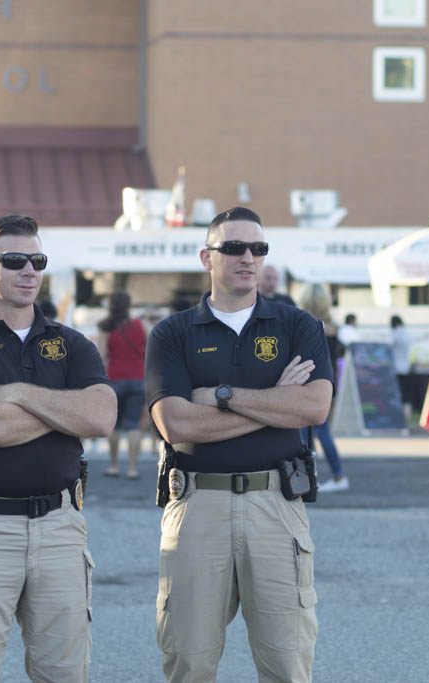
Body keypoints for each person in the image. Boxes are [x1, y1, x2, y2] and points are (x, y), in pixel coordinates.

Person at [145, 207, 331, 682]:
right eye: (234, 247)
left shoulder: (297, 326)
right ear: (207, 256)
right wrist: (275, 402)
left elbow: (312, 409)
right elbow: (176, 423)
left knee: (287, 662)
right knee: (189, 660)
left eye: (258, 248)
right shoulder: (172, 333)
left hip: (276, 504)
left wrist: (221, 397)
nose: (248, 257)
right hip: (196, 504)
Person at [0, 214, 115, 681]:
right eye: (14, 260)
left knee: (64, 673)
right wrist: (62, 412)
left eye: (37, 260)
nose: (29, 270)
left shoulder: (71, 343)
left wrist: (19, 394)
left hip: (61, 528)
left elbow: (101, 417)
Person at [299, 283, 350, 492]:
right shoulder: (334, 328)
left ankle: (306, 477)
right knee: (324, 431)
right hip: (328, 384)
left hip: (305, 384)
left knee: (303, 434)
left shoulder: (303, 326)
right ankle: (337, 475)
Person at [97, 290, 150, 479]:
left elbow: (102, 356)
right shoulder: (141, 324)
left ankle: (113, 465)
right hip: (138, 380)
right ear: (129, 306)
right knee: (134, 424)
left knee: (116, 425)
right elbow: (153, 349)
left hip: (115, 380)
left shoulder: (106, 327)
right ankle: (132, 468)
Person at [390, 315, 414, 422]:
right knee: (406, 393)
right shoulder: (407, 333)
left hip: (396, 368)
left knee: (397, 392)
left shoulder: (395, 334)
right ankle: (407, 415)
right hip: (406, 367)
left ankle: (397, 415)